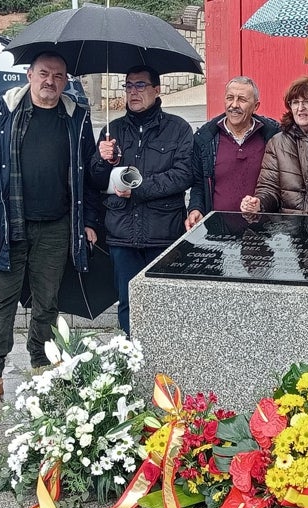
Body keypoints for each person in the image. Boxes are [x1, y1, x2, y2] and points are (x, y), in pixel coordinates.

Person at [0, 52, 102, 405]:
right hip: (9, 224)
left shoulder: (77, 117)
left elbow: (89, 176)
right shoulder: (2, 112)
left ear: (66, 79)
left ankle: (41, 365)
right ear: (29, 74)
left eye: (58, 75)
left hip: (57, 226)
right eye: (43, 74)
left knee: (47, 303)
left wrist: (89, 222)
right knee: (2, 303)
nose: (50, 81)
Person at [92, 65, 194, 337]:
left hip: (163, 232)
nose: (133, 92)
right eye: (128, 86)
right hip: (122, 234)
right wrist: (106, 160)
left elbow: (182, 175)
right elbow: (95, 179)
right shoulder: (112, 130)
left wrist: (139, 187)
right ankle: (132, 361)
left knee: (165, 304)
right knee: (127, 303)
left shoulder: (178, 129)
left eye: (140, 85)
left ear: (156, 90)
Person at [240, 75, 308, 216]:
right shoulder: (277, 143)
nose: (300, 108)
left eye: (307, 101)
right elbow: (268, 188)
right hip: (291, 231)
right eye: (295, 102)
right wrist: (259, 203)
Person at [186, 77, 279, 230]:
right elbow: (198, 185)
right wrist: (196, 209)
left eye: (242, 99)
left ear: (256, 106)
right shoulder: (205, 138)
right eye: (230, 98)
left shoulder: (272, 136)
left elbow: (280, 185)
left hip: (263, 234)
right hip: (218, 235)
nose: (234, 105)